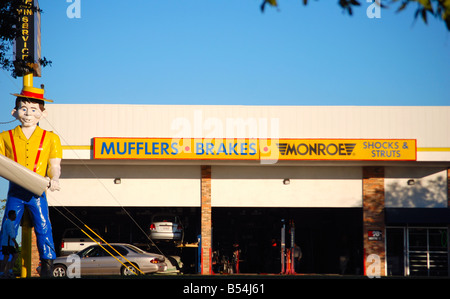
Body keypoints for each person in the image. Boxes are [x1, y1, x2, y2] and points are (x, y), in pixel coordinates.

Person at [0, 85, 62, 277]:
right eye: (24, 108)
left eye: (34, 109)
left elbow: (54, 165)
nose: (28, 114)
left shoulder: (51, 138)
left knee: (44, 226)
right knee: (8, 228)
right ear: (15, 111)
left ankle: (47, 266)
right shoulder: (5, 137)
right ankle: (6, 267)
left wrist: (55, 179)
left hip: (37, 192)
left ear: (43, 113)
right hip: (15, 193)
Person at [0, 210, 19, 278]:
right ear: (11, 215)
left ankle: (6, 271)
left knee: (8, 256)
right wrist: (15, 243)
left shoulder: (9, 222)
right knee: (12, 255)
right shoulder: (8, 223)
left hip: (9, 243)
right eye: (14, 214)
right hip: (7, 244)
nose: (15, 216)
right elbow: (10, 233)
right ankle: (6, 271)